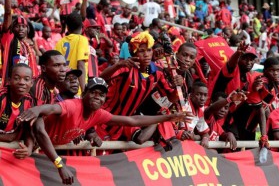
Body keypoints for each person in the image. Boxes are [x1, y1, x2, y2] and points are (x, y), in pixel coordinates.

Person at [17, 77, 192, 185]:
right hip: (27, 141)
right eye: (94, 92)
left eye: (101, 95)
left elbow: (132, 120)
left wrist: (168, 118)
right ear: (84, 93)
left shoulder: (98, 114)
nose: (97, 97)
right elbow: (46, 115)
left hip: (44, 151)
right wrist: (38, 110)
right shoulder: (72, 105)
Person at [1, 0, 39, 86]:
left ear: (28, 29)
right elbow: (8, 12)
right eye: (17, 26)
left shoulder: (27, 46)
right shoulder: (9, 38)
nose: (21, 29)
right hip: (9, 84)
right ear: (12, 28)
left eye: (23, 27)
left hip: (26, 85)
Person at [0, 64, 36, 159]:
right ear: (8, 81)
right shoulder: (1, 97)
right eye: (16, 78)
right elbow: (11, 137)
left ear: (31, 83)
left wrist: (28, 149)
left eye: (26, 79)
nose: (21, 82)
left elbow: (28, 130)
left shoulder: (29, 101)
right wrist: (9, 137)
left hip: (11, 148)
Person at [55, 12, 89, 92]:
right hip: (76, 86)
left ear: (67, 27)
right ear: (82, 26)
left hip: (63, 84)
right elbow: (80, 65)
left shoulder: (60, 42)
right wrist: (83, 90)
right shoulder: (82, 40)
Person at [177, 81, 210, 148]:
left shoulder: (201, 109)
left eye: (205, 95)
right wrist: (195, 137)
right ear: (191, 95)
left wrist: (205, 138)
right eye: (199, 94)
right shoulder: (183, 104)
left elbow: (205, 133)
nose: (202, 98)